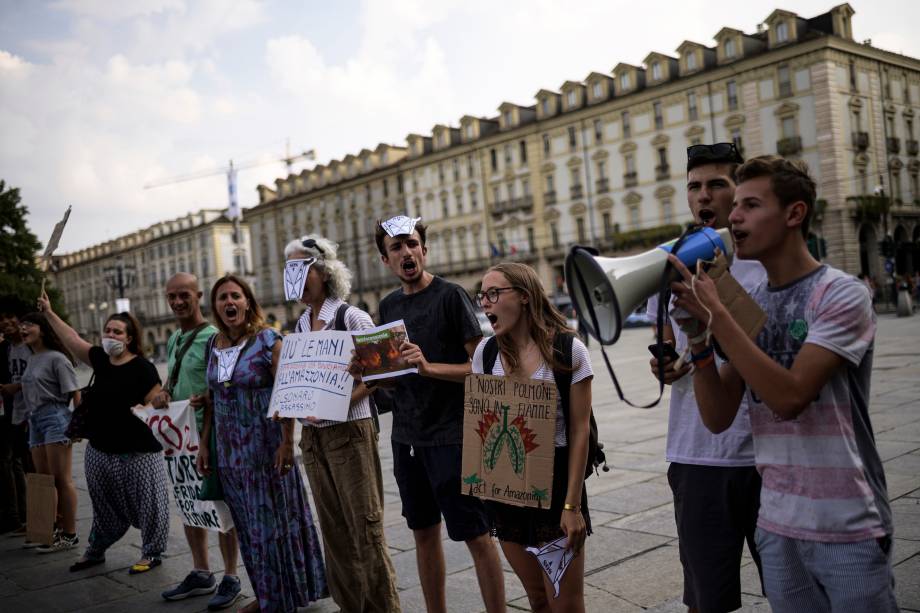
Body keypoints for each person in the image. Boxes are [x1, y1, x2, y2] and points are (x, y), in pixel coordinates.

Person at [671, 155, 897, 612]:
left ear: (794, 214)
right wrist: (698, 340)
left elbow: (790, 396)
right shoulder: (752, 302)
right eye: (734, 205)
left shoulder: (841, 293)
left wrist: (719, 316)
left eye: (749, 205)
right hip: (775, 521)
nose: (733, 216)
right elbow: (717, 416)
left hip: (845, 520)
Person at [645, 142, 765, 613]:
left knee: (793, 590)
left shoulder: (763, 266)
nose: (704, 196)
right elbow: (672, 354)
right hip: (696, 454)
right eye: (694, 187)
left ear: (740, 193)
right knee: (705, 599)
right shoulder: (670, 268)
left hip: (762, 454)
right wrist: (666, 364)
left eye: (718, 184)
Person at [373, 217, 506, 613]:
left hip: (453, 436)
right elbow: (397, 377)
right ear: (386, 259)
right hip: (407, 439)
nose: (406, 252)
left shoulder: (451, 296)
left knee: (477, 535)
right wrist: (374, 376)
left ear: (424, 250)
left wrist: (430, 367)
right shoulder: (388, 305)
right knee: (423, 534)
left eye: (411, 244)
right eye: (396, 248)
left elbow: (484, 366)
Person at [196, 274, 327, 613]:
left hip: (265, 450)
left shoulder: (269, 340)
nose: (229, 302)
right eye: (222, 297)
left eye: (235, 296)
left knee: (274, 527)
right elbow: (212, 398)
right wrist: (205, 445)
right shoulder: (214, 345)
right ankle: (267, 595)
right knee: (249, 531)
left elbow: (287, 391)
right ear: (215, 307)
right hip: (229, 455)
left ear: (248, 302)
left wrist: (287, 442)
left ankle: (281, 596)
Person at [285, 235, 400, 613]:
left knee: (365, 529)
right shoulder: (300, 326)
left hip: (350, 433)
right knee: (333, 532)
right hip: (314, 438)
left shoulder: (351, 316)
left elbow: (385, 372)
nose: (294, 278)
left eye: (299, 269)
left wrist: (342, 401)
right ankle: (351, 606)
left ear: (321, 271)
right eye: (289, 271)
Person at [474, 262, 592, 612]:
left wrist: (572, 506)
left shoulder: (569, 350)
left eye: (494, 293)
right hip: (507, 491)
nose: (485, 303)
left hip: (555, 493)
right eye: (482, 296)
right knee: (538, 599)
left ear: (524, 297)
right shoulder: (486, 352)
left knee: (565, 604)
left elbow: (580, 431)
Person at [38, 295, 171, 574]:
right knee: (102, 506)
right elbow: (72, 337)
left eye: (117, 331)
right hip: (99, 450)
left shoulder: (143, 368)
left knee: (150, 506)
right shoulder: (100, 359)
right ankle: (96, 550)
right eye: (107, 331)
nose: (110, 335)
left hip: (138, 452)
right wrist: (49, 313)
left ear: (130, 338)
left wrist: (147, 406)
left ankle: (152, 552)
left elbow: (158, 400)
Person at [154, 273, 242, 610]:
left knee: (220, 508)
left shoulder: (214, 337)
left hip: (210, 435)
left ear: (199, 296)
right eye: (171, 296)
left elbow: (224, 385)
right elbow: (172, 379)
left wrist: (205, 397)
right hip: (181, 440)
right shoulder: (176, 339)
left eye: (183, 296)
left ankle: (231, 576)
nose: (177, 302)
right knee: (190, 503)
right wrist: (164, 392)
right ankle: (201, 570)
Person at [18, 312, 81, 553]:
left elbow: (75, 394)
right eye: (22, 325)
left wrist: (77, 425)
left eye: (28, 324)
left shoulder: (57, 358)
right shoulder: (32, 359)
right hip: (35, 421)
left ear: (43, 329)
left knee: (61, 479)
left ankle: (70, 534)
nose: (23, 328)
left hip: (56, 417)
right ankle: (48, 530)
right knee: (43, 480)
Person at [0, 312, 31, 535]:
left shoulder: (32, 347)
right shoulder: (5, 349)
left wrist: (17, 388)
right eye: (2, 321)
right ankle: (21, 516)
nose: (7, 324)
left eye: (12, 319)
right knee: (15, 462)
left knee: (32, 468)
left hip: (33, 413)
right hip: (12, 413)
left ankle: (50, 520)